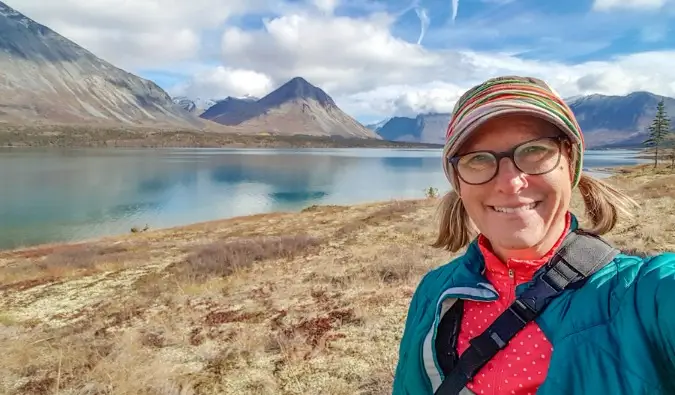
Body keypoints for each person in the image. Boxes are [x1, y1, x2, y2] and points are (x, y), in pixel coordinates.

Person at [391, 75, 675, 395]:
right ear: (458, 181)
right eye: (478, 159)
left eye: (535, 151)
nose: (511, 183)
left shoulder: (641, 296)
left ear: (569, 161)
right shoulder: (434, 292)